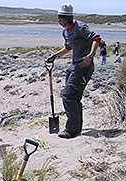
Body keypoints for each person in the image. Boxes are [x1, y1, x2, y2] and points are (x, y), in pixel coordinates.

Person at [46, 4, 102, 139]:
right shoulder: (65, 31)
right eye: (59, 19)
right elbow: (68, 47)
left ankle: (72, 130)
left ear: (69, 18)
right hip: (74, 66)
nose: (61, 22)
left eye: (63, 19)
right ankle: (77, 127)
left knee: (68, 96)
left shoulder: (80, 27)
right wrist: (55, 56)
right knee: (74, 97)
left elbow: (96, 39)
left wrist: (90, 57)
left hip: (83, 67)